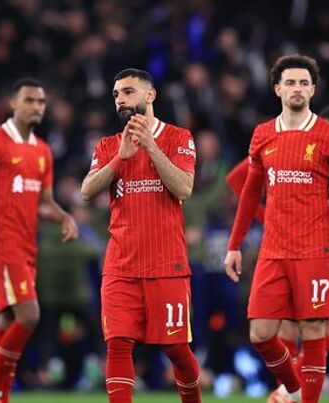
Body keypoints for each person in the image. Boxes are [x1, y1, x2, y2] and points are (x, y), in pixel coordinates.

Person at [223, 55, 329, 403]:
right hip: (273, 250)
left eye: (303, 82)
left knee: (314, 330)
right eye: (290, 82)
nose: (297, 88)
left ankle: (302, 398)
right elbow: (248, 191)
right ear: (277, 89)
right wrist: (234, 244)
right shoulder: (263, 134)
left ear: (313, 89)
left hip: (315, 250)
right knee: (261, 334)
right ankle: (292, 388)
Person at [81, 68, 202, 403]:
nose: (121, 99)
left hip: (167, 265)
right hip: (120, 266)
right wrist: (120, 158)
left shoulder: (179, 138)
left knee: (176, 348)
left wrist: (150, 147)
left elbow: (184, 188)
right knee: (118, 345)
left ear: (150, 96)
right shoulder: (108, 145)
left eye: (129, 92)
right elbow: (87, 190)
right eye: (117, 94)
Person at [0, 77, 79, 403]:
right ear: (13, 103)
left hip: (29, 245)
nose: (36, 107)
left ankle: (0, 395)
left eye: (41, 102)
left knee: (9, 318)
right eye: (29, 100)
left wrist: (65, 217)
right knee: (29, 315)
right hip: (0, 241)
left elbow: (44, 202)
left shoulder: (43, 152)